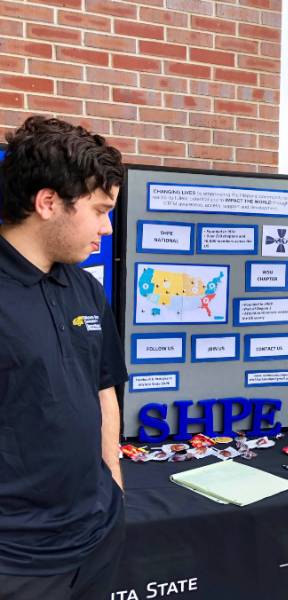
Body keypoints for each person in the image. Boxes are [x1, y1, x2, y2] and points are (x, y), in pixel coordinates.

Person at [0, 116, 128, 599]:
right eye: (99, 210)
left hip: (95, 538)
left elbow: (103, 388)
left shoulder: (85, 287)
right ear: (48, 202)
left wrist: (113, 485)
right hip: (15, 562)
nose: (108, 227)